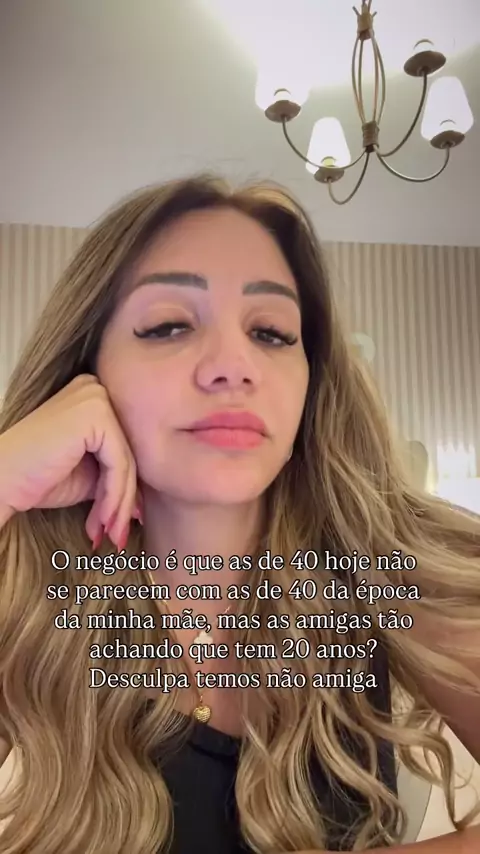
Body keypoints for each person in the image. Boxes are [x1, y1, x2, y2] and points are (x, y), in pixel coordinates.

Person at [0, 174, 479, 854]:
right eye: (169, 325)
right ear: (86, 370)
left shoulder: (391, 567)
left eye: (272, 333)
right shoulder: (26, 595)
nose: (234, 365)